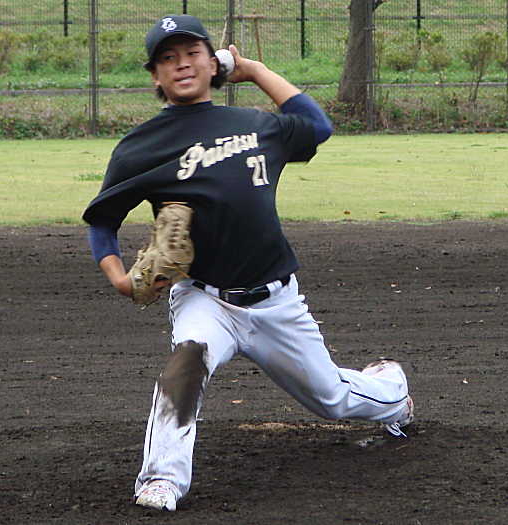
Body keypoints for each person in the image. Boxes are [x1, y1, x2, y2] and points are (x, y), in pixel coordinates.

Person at [82, 14, 414, 512]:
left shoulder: (255, 125)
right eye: (167, 58)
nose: (181, 64)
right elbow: (102, 221)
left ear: (211, 63)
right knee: (186, 363)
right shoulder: (140, 148)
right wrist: (118, 278)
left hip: (275, 299)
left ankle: (393, 391)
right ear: (155, 76)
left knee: (332, 397)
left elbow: (318, 126)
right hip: (204, 297)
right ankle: (162, 480)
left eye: (191, 53)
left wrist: (255, 71)